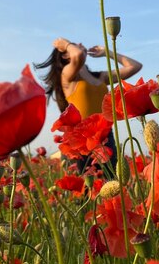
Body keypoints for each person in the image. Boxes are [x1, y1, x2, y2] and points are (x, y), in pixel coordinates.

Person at [35, 38, 142, 172]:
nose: (80, 44)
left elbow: (134, 66)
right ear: (65, 54)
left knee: (112, 183)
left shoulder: (100, 77)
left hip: (105, 136)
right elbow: (78, 55)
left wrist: (107, 53)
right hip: (80, 140)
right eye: (75, 45)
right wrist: (65, 44)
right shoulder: (67, 77)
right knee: (88, 187)